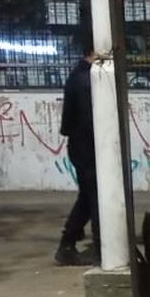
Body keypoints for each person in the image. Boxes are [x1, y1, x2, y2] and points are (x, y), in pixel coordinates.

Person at [55, 44, 98, 267]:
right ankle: (97, 248)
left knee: (89, 197)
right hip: (88, 147)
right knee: (94, 198)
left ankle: (69, 243)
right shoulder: (87, 80)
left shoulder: (79, 75)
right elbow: (90, 121)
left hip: (81, 146)